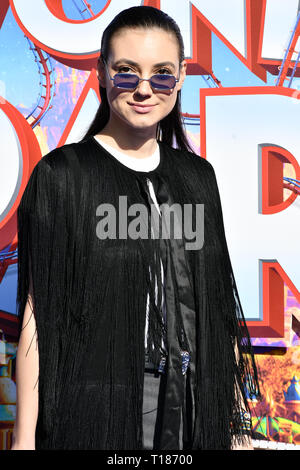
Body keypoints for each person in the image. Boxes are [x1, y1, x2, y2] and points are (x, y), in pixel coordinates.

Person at [12, 6, 261, 451]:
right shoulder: (64, 175)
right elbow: (38, 315)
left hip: (191, 413)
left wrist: (232, 422)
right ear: (102, 73)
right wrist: (26, 439)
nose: (145, 89)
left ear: (181, 77)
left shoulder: (197, 177)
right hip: (94, 413)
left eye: (162, 74)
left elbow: (217, 304)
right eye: (127, 72)